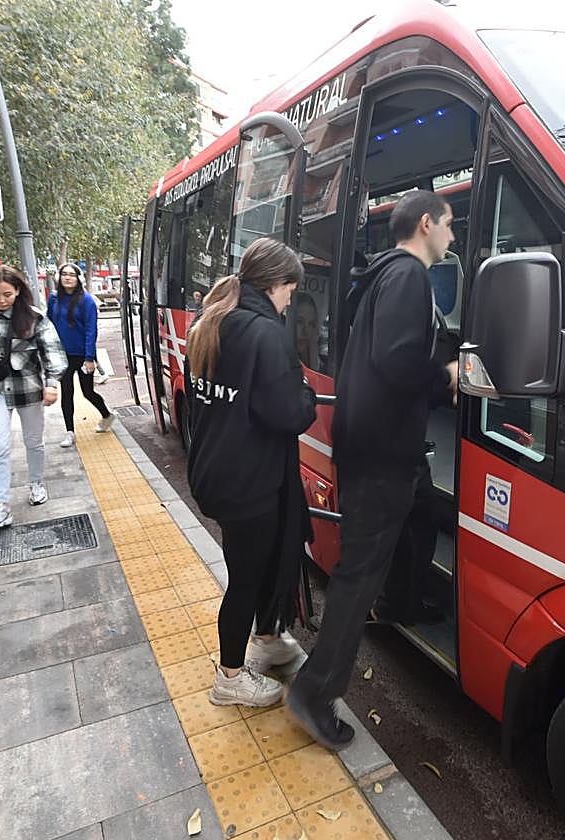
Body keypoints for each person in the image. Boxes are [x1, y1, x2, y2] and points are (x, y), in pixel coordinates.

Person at [288, 190, 458, 749]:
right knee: (358, 575)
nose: (453, 237)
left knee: (425, 508)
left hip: (384, 449)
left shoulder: (383, 275)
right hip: (382, 452)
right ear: (426, 225)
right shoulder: (409, 275)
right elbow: (398, 358)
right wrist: (447, 377)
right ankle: (315, 691)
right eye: (450, 226)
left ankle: (402, 599)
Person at [185, 238, 317, 708]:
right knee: (245, 579)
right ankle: (231, 677)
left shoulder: (211, 320)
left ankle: (266, 636)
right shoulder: (264, 334)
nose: (289, 303)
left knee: (254, 566)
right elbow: (290, 413)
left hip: (216, 471)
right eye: (290, 292)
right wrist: (305, 391)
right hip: (250, 481)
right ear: (277, 284)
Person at [0, 265, 68, 529]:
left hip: (28, 387)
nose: (1, 300)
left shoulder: (34, 317)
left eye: (7, 294)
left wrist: (52, 383)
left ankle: (36, 483)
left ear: (18, 291)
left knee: (33, 441)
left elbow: (53, 353)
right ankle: (1, 505)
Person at [47, 263, 113, 445]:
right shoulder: (53, 299)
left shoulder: (87, 301)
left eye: (72, 275)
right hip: (62, 356)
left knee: (88, 392)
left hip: (83, 355)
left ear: (78, 279)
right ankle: (70, 432)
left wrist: (89, 358)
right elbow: (48, 326)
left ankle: (107, 415)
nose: (68, 277)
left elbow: (91, 330)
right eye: (64, 274)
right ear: (59, 278)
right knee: (66, 392)